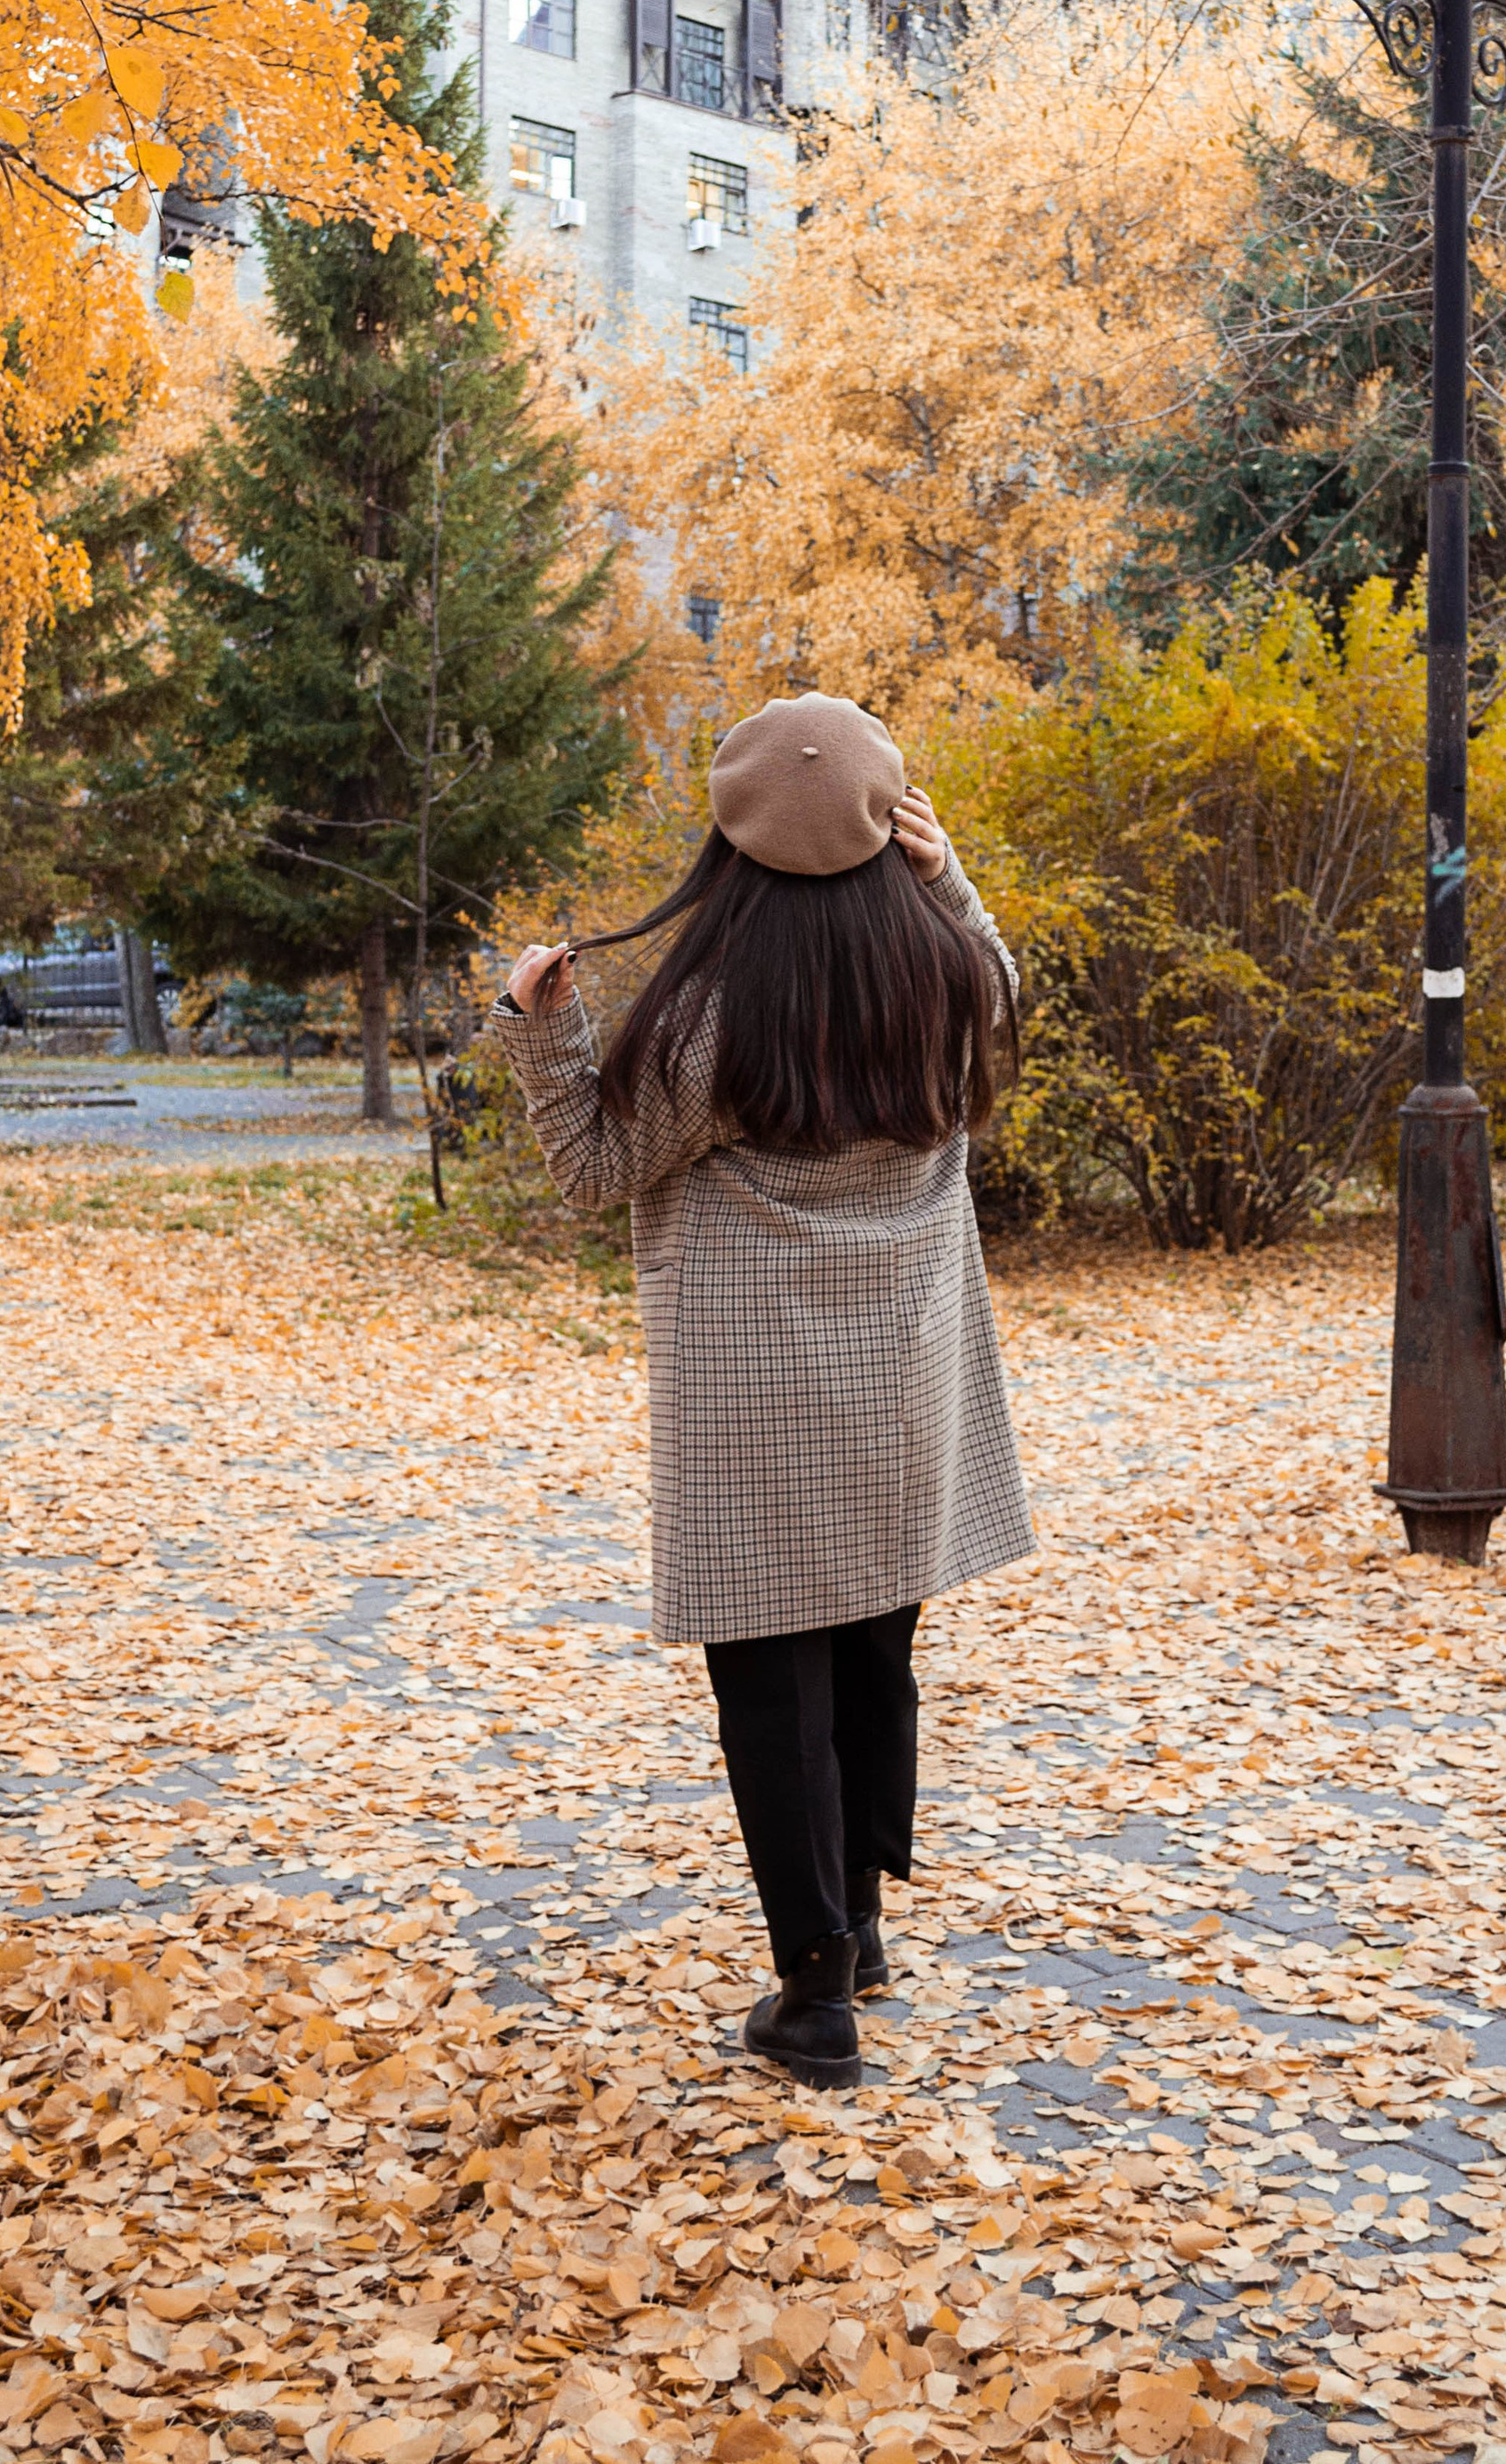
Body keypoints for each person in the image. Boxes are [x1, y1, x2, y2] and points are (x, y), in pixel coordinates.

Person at [488, 689, 1034, 2090]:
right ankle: (855, 1927)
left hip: (760, 1405)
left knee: (774, 1690)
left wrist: (538, 1030)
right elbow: (1003, 979)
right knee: (871, 1659)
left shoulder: (716, 1017)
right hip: (906, 1386)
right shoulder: (947, 980)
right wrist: (947, 873)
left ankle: (813, 2003)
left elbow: (595, 1170)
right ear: (886, 824)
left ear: (729, 838)